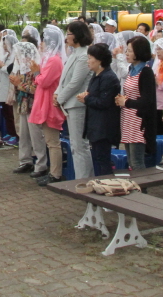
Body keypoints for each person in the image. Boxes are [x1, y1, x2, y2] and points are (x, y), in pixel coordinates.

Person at [56, 21, 95, 179]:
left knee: (80, 146)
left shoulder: (84, 55)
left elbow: (75, 83)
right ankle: (81, 179)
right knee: (75, 146)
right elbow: (64, 79)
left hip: (78, 105)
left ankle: (85, 180)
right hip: (70, 104)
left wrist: (60, 98)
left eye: (69, 34)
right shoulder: (74, 54)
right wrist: (57, 94)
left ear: (77, 35)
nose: (67, 37)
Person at [28, 25, 66, 185]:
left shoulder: (54, 60)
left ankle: (55, 174)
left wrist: (37, 72)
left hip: (50, 104)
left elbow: (43, 81)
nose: (41, 44)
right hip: (44, 101)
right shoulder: (48, 59)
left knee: (52, 142)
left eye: (44, 40)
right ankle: (52, 171)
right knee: (49, 141)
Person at [78, 43, 121, 176]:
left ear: (99, 60)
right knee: (98, 157)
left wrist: (86, 99)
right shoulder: (96, 75)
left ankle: (108, 184)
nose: (88, 61)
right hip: (95, 124)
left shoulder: (108, 77)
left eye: (90, 58)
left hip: (104, 126)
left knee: (103, 159)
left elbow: (104, 102)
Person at [115, 36, 156, 170]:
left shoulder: (146, 71)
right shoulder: (131, 70)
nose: (127, 53)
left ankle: (141, 189)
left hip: (139, 121)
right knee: (131, 161)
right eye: (127, 50)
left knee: (137, 161)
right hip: (127, 119)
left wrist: (126, 101)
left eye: (130, 51)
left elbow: (147, 101)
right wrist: (122, 100)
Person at [10, 41, 42, 174]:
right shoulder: (21, 69)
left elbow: (36, 89)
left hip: (33, 105)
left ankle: (41, 164)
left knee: (36, 136)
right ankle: (25, 161)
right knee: (23, 135)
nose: (17, 57)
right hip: (23, 104)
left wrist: (19, 84)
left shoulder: (36, 68)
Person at [0, 32, 19, 140]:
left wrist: (2, 66)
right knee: (6, 112)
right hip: (3, 86)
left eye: (6, 44)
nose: (4, 46)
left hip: (10, 87)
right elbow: (2, 69)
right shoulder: (5, 56)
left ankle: (15, 134)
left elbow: (12, 70)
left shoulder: (15, 56)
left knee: (12, 114)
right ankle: (10, 132)